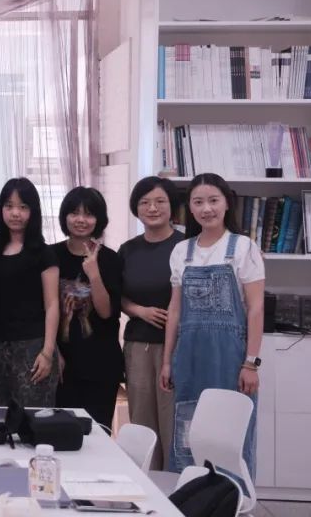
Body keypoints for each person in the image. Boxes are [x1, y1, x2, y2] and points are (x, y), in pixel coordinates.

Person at [161, 173, 264, 476]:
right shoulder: (182, 251)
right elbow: (174, 310)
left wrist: (251, 363)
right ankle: (191, 493)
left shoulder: (243, 247)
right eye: (198, 202)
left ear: (226, 203)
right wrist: (167, 361)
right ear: (190, 208)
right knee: (188, 432)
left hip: (230, 358)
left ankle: (233, 497)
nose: (206, 209)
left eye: (213, 200)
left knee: (229, 435)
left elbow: (256, 308)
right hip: (189, 358)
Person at [118, 176, 183, 470]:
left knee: (174, 421)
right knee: (142, 423)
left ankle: (176, 484)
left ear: (172, 206)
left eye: (159, 202)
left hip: (178, 347)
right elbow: (117, 296)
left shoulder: (186, 246)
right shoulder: (128, 250)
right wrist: (139, 311)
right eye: (144, 202)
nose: (152, 208)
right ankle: (148, 483)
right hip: (138, 345)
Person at [0, 178, 60, 408]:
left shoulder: (43, 253)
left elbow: (52, 305)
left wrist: (47, 352)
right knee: (2, 416)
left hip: (33, 347)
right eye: (9, 206)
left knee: (33, 419)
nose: (15, 213)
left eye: (23, 207)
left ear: (33, 211)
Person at [52, 187, 123, 431]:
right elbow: (42, 310)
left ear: (99, 219)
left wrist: (93, 274)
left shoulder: (111, 259)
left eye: (89, 214)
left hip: (100, 366)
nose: (81, 220)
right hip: (61, 365)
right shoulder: (51, 255)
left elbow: (106, 312)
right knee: (59, 433)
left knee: (97, 436)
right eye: (74, 213)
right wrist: (53, 353)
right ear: (65, 217)